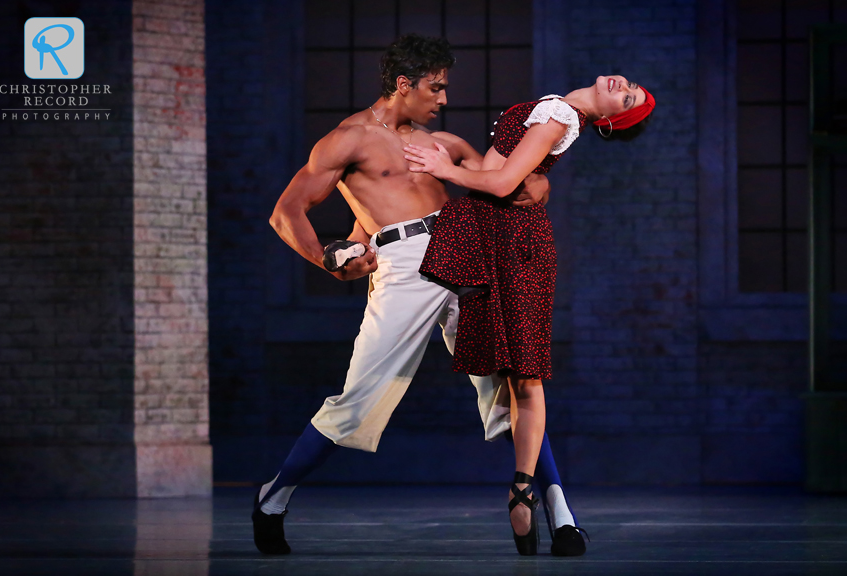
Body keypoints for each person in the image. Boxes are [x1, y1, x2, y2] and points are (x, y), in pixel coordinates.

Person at [252, 33, 562, 556]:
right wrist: (331, 259)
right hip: (403, 269)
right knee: (357, 401)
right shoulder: (347, 139)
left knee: (511, 386)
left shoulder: (437, 142)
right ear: (404, 84)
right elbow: (286, 212)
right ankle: (273, 496)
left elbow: (505, 179)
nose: (443, 99)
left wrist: (539, 186)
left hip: (461, 251)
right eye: (435, 88)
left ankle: (557, 510)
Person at [405, 75, 655, 555]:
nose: (624, 86)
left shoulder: (561, 115)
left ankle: (523, 491)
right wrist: (462, 152)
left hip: (518, 244)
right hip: (502, 236)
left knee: (527, 374)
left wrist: (447, 168)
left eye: (627, 100)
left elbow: (500, 182)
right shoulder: (558, 108)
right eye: (631, 87)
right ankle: (531, 495)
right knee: (515, 375)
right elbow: (507, 171)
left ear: (610, 121)